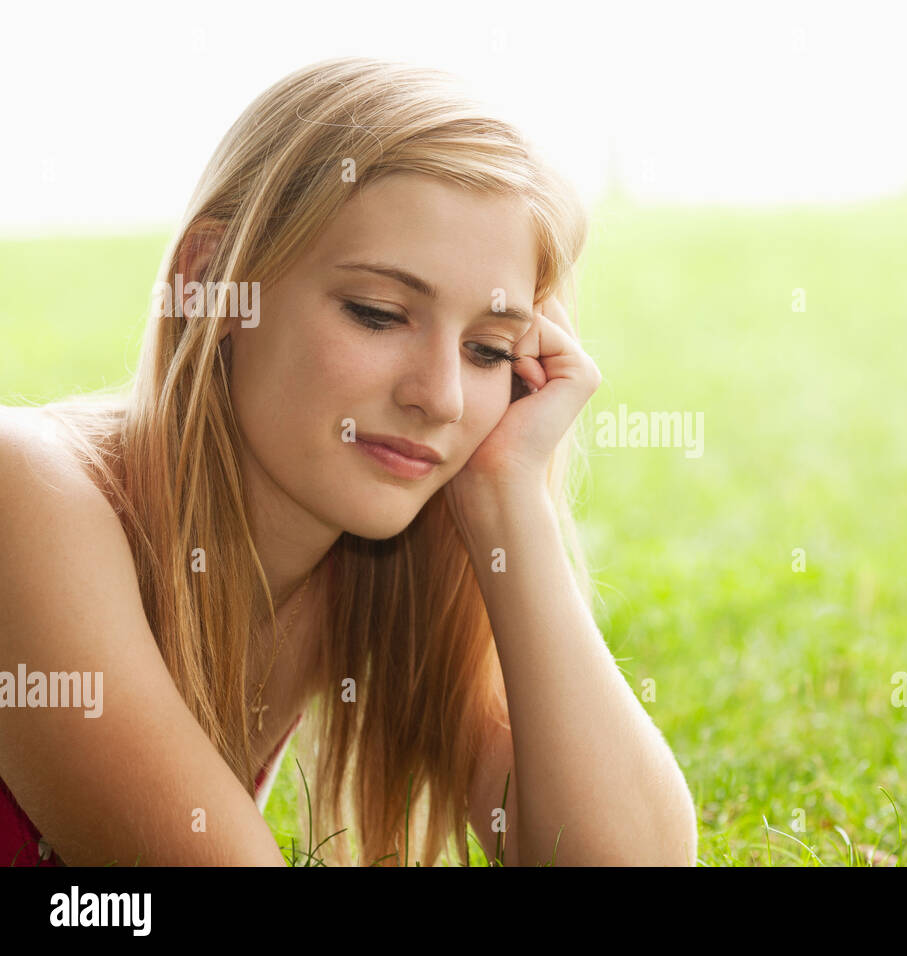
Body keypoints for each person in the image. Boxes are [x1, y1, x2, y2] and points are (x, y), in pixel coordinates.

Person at [0, 56, 697, 867]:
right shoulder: (27, 490)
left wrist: (509, 499)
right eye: (378, 314)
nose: (439, 396)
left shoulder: (374, 574)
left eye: (487, 349)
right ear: (210, 281)